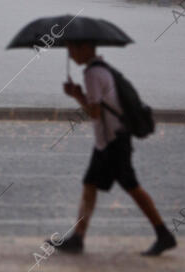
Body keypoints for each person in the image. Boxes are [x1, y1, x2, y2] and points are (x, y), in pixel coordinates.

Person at [55, 41, 176, 256]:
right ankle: (78, 237)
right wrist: (78, 94)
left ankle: (163, 233)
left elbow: (94, 113)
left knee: (132, 187)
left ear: (86, 48)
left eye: (73, 49)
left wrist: (76, 96)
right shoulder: (103, 69)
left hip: (113, 143)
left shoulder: (92, 75)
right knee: (89, 184)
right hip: (108, 142)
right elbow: (100, 107)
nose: (71, 54)